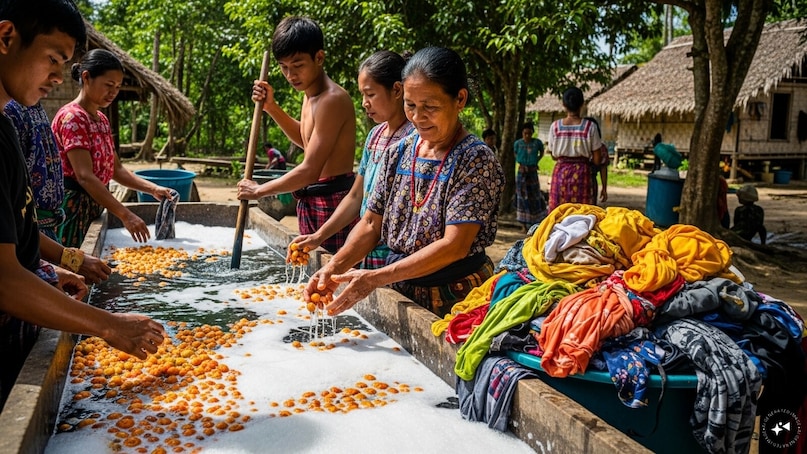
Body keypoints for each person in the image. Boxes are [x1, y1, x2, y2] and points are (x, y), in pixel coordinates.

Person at [0, 0, 165, 410]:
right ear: (6, 37)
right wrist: (109, 326)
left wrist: (57, 265)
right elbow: (3, 280)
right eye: (53, 59)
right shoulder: (45, 120)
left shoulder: (3, 126)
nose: (58, 77)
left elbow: (15, 227)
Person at [304, 47, 505, 318]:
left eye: (430, 107)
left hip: (456, 297)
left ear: (460, 99)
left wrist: (375, 278)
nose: (418, 117)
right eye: (411, 105)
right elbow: (371, 223)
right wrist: (334, 267)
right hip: (401, 288)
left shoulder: (475, 160)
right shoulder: (399, 152)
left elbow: (454, 245)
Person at [237, 16, 357, 254]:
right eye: (283, 67)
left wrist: (259, 190)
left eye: (298, 65)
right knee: (309, 275)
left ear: (319, 58)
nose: (290, 75)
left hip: (333, 204)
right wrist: (271, 107)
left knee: (330, 279)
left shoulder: (332, 99)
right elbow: (305, 140)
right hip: (312, 201)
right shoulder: (310, 94)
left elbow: (310, 170)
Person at [289, 50, 413, 269]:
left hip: (395, 256)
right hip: (366, 248)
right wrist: (318, 236)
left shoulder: (414, 139)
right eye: (362, 95)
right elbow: (355, 196)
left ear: (396, 90)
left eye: (371, 94)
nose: (365, 103)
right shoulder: (375, 137)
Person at [52, 48, 175, 248]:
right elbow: (84, 176)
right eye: (108, 85)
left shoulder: (100, 120)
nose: (113, 92)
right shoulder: (73, 118)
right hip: (74, 209)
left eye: (117, 87)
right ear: (87, 77)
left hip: (95, 204)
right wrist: (126, 215)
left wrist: (153, 189)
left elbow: (115, 170)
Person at [4, 100, 112, 284]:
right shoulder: (10, 113)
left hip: (42, 232)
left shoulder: (33, 106)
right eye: (109, 84)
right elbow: (9, 280)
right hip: (34, 233)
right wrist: (69, 258)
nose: (58, 79)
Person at [547, 87, 602, 211]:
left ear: (564, 105)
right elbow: (597, 159)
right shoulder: (590, 127)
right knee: (582, 213)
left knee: (559, 213)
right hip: (583, 175)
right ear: (582, 104)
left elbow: (554, 155)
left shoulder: (555, 127)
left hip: (560, 173)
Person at [513, 121, 546, 232]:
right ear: (522, 133)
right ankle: (523, 224)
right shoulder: (518, 144)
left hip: (532, 172)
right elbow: (515, 153)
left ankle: (535, 222)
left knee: (534, 196)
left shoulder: (537, 143)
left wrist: (536, 160)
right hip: (522, 173)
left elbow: (542, 152)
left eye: (529, 133)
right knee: (521, 197)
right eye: (525, 133)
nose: (527, 136)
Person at [584, 116, 608, 204]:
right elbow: (603, 169)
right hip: (590, 182)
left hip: (590, 182)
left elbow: (603, 168)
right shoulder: (601, 148)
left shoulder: (577, 146)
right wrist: (604, 188)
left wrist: (604, 188)